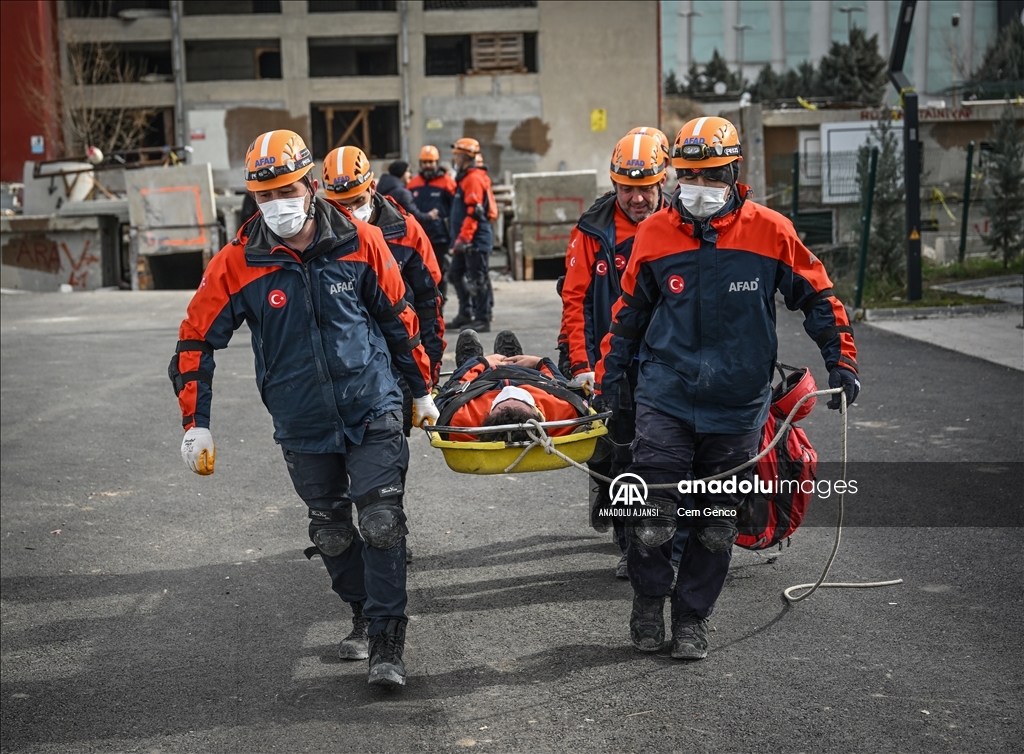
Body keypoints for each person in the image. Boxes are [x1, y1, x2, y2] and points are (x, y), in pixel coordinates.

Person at [169, 129, 440, 688]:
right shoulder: (238, 263)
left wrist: (421, 390)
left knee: (383, 523)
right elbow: (194, 341)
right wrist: (196, 423)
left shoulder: (362, 242)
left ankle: (388, 640)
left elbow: (399, 319)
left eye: (286, 190)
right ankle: (363, 612)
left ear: (311, 185)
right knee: (333, 532)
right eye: (263, 196)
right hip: (301, 419)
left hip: (372, 405)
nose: (277, 205)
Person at [594, 116, 860, 661]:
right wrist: (610, 380)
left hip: (737, 406)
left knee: (715, 525)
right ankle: (649, 602)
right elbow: (628, 316)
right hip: (665, 397)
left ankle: (691, 620)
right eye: (688, 174)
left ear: (733, 171)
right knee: (653, 518)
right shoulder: (655, 233)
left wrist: (842, 361)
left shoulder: (771, 231)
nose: (698, 187)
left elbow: (817, 298)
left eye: (711, 175)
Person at [557, 130, 670, 578]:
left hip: (669, 364)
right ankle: (630, 544)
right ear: (613, 183)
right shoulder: (591, 230)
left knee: (667, 455)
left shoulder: (685, 226)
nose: (637, 198)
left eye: (646, 188)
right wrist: (583, 365)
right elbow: (576, 300)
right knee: (622, 453)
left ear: (664, 182)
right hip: (612, 362)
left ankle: (670, 539)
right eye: (628, 188)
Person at [321, 145, 447, 432]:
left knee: (387, 451)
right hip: (342, 365)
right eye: (341, 206)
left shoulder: (407, 230)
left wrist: (429, 377)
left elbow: (429, 304)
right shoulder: (315, 238)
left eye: (357, 201)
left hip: (398, 358)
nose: (350, 212)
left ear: (373, 187)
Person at [434, 329, 589, 441]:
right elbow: (561, 386)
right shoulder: (563, 412)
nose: (510, 391)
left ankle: (470, 361)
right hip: (527, 375)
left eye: (502, 401)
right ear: (538, 413)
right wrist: (540, 362)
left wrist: (478, 363)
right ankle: (510, 359)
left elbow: (449, 393)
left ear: (489, 414)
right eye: (520, 400)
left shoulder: (463, 420)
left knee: (464, 383)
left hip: (482, 381)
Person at [448, 138, 495, 332]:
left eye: (457, 155)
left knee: (478, 278)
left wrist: (464, 239)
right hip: (466, 238)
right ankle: (466, 313)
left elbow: (473, 213)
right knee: (456, 274)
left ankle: (482, 317)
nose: (454, 158)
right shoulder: (466, 177)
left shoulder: (473, 178)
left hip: (474, 239)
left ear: (465, 157)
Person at [407, 145, 457, 303]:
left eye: (431, 162)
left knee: (440, 273)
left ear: (437, 162)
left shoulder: (447, 183)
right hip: (418, 238)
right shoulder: (413, 184)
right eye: (424, 162)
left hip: (439, 238)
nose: (427, 165)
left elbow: (456, 210)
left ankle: (439, 304)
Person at [376, 159, 439, 229]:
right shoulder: (403, 193)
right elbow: (414, 216)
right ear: (402, 173)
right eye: (408, 171)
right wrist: (429, 216)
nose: (410, 174)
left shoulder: (380, 188)